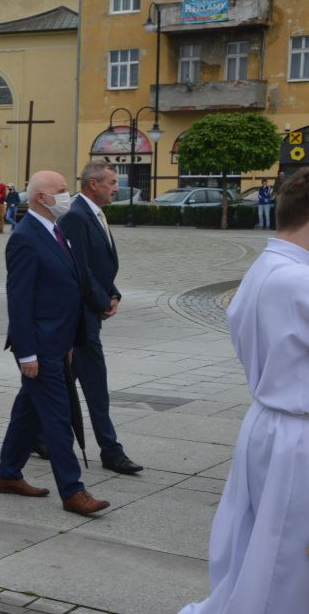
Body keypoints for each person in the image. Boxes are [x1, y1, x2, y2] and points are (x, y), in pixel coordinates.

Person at [178, 168, 309, 614]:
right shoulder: (298, 281)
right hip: (296, 433)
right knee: (285, 561)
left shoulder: (268, 266)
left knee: (257, 546)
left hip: (271, 422)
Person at [0, 170, 111, 516]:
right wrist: (27, 353)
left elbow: (68, 286)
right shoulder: (25, 237)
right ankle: (73, 491)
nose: (68, 196)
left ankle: (7, 474)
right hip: (39, 346)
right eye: (61, 191)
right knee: (58, 418)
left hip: (59, 341)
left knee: (28, 413)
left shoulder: (57, 231)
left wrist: (71, 338)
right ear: (41, 198)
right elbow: (19, 301)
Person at [58, 162, 142, 475]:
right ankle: (111, 450)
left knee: (60, 384)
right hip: (79, 319)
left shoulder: (93, 213)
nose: (115, 187)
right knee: (96, 387)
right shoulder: (77, 216)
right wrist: (100, 299)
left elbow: (98, 264)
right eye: (110, 182)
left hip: (88, 313)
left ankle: (37, 436)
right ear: (93, 184)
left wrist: (113, 293)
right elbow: (79, 267)